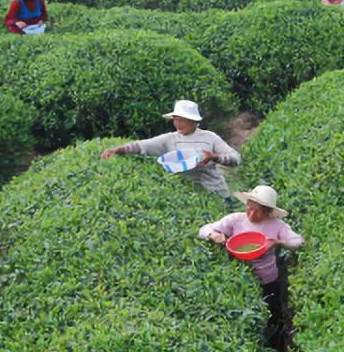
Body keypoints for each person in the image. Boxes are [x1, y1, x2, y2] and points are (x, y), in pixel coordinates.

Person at [198, 185, 304, 324]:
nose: (252, 214)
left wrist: (278, 242)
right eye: (250, 208)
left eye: (258, 212)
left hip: (268, 279)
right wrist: (213, 235)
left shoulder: (277, 225)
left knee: (274, 313)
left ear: (268, 212)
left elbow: (298, 241)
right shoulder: (236, 220)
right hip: (240, 277)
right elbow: (204, 229)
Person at [100, 99, 239, 199]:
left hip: (215, 192)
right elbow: (141, 146)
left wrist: (215, 157)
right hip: (188, 194)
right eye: (175, 119)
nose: (177, 124)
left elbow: (235, 158)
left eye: (182, 120)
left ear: (194, 121)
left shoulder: (210, 138)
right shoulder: (170, 139)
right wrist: (116, 150)